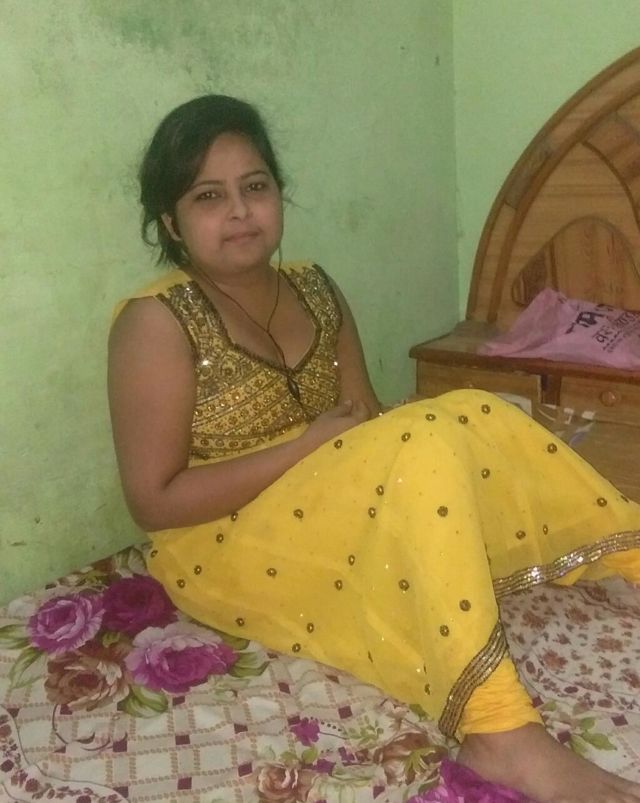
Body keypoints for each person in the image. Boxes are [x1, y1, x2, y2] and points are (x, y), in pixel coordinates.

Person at [108, 95, 640, 803]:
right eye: (209, 196)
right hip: (219, 543)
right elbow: (153, 502)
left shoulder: (314, 288)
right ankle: (500, 732)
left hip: (320, 506)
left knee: (471, 410)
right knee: (425, 436)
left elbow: (369, 424)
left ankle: (628, 551)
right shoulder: (156, 323)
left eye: (255, 186)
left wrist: (406, 453)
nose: (239, 211)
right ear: (172, 223)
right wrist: (307, 447)